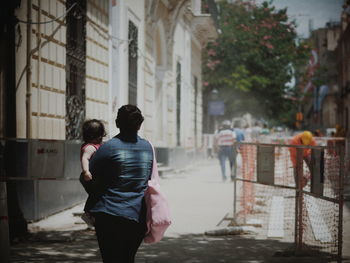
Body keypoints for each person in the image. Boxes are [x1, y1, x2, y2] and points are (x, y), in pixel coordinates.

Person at [81, 105, 153, 263]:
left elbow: (88, 178)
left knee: (111, 259)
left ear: (117, 123)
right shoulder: (148, 148)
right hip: (137, 216)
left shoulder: (107, 148)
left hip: (109, 216)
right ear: (140, 125)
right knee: (127, 258)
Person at [79, 119, 106, 227]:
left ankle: (91, 213)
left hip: (93, 176)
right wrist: (86, 171)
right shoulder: (90, 147)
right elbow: (85, 159)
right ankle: (88, 213)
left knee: (96, 195)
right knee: (95, 195)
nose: (101, 138)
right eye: (99, 136)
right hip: (90, 177)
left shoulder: (96, 145)